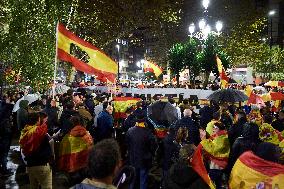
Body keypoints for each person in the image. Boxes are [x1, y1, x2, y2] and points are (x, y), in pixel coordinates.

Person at [20, 112, 53, 189]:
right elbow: (47, 150)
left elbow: (23, 149)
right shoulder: (39, 133)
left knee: (33, 186)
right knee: (46, 186)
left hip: (30, 165)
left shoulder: (25, 132)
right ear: (38, 120)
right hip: (42, 164)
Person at [126, 112, 158, 189]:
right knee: (143, 180)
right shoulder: (148, 133)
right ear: (144, 121)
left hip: (133, 158)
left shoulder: (130, 131)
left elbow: (127, 144)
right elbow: (154, 146)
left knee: (132, 179)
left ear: (136, 121)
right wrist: (152, 154)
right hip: (144, 160)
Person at [0, 96, 14, 177]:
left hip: (2, 138)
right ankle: (4, 170)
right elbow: (7, 132)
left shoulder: (2, 111)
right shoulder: (5, 120)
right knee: (4, 154)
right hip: (4, 139)